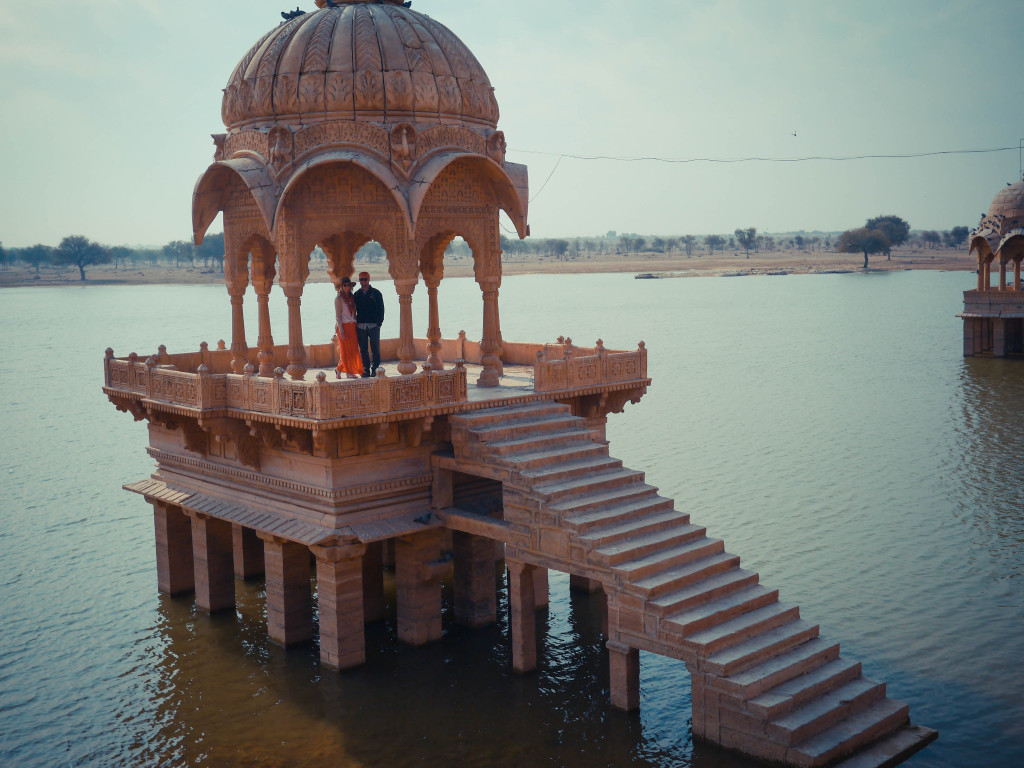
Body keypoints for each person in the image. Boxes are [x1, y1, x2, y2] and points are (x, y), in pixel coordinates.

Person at [353, 271, 385, 377]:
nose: (363, 281)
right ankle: (366, 369)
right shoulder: (357, 294)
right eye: (361, 279)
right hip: (361, 326)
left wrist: (379, 323)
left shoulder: (376, 293)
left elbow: (381, 309)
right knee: (363, 349)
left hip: (374, 325)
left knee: (375, 348)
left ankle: (375, 369)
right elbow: (353, 310)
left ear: (369, 279)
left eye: (365, 279)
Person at [333, 277, 363, 379]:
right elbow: (338, 316)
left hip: (352, 325)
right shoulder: (338, 299)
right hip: (344, 326)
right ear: (341, 287)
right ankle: (349, 372)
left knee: (353, 350)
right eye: (345, 285)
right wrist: (341, 330)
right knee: (345, 350)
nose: (347, 287)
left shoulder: (352, 297)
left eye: (348, 285)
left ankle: (339, 369)